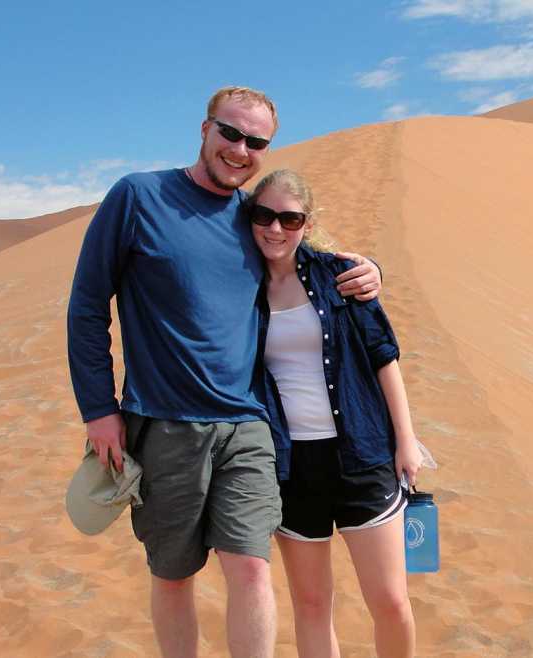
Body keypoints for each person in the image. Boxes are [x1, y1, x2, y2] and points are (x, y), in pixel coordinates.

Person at [66, 87, 384, 658]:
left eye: (255, 141)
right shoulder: (138, 196)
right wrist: (98, 409)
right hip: (164, 424)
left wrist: (371, 270)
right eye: (230, 133)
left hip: (246, 425)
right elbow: (89, 306)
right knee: (173, 574)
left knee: (252, 571)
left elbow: (307, 253)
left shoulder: (255, 216)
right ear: (205, 130)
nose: (240, 150)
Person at [249, 169, 420, 658]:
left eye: (289, 218)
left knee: (389, 600)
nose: (275, 228)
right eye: (264, 215)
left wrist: (405, 440)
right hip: (291, 466)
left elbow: (384, 355)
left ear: (306, 222)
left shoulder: (337, 274)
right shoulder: (240, 289)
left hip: (363, 454)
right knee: (311, 603)